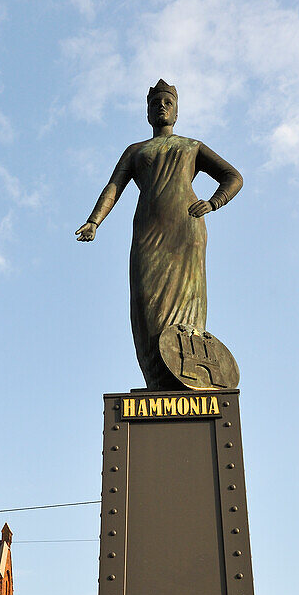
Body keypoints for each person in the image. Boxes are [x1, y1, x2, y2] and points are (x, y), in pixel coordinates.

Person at [76, 80, 243, 388]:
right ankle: (157, 380)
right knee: (145, 302)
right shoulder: (136, 150)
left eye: (168, 102)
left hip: (186, 227)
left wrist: (214, 202)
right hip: (148, 233)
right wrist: (94, 221)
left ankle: (188, 372)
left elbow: (232, 176)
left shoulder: (191, 146)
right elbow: (113, 188)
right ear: (148, 113)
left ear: (176, 112)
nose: (162, 106)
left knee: (187, 304)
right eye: (156, 103)